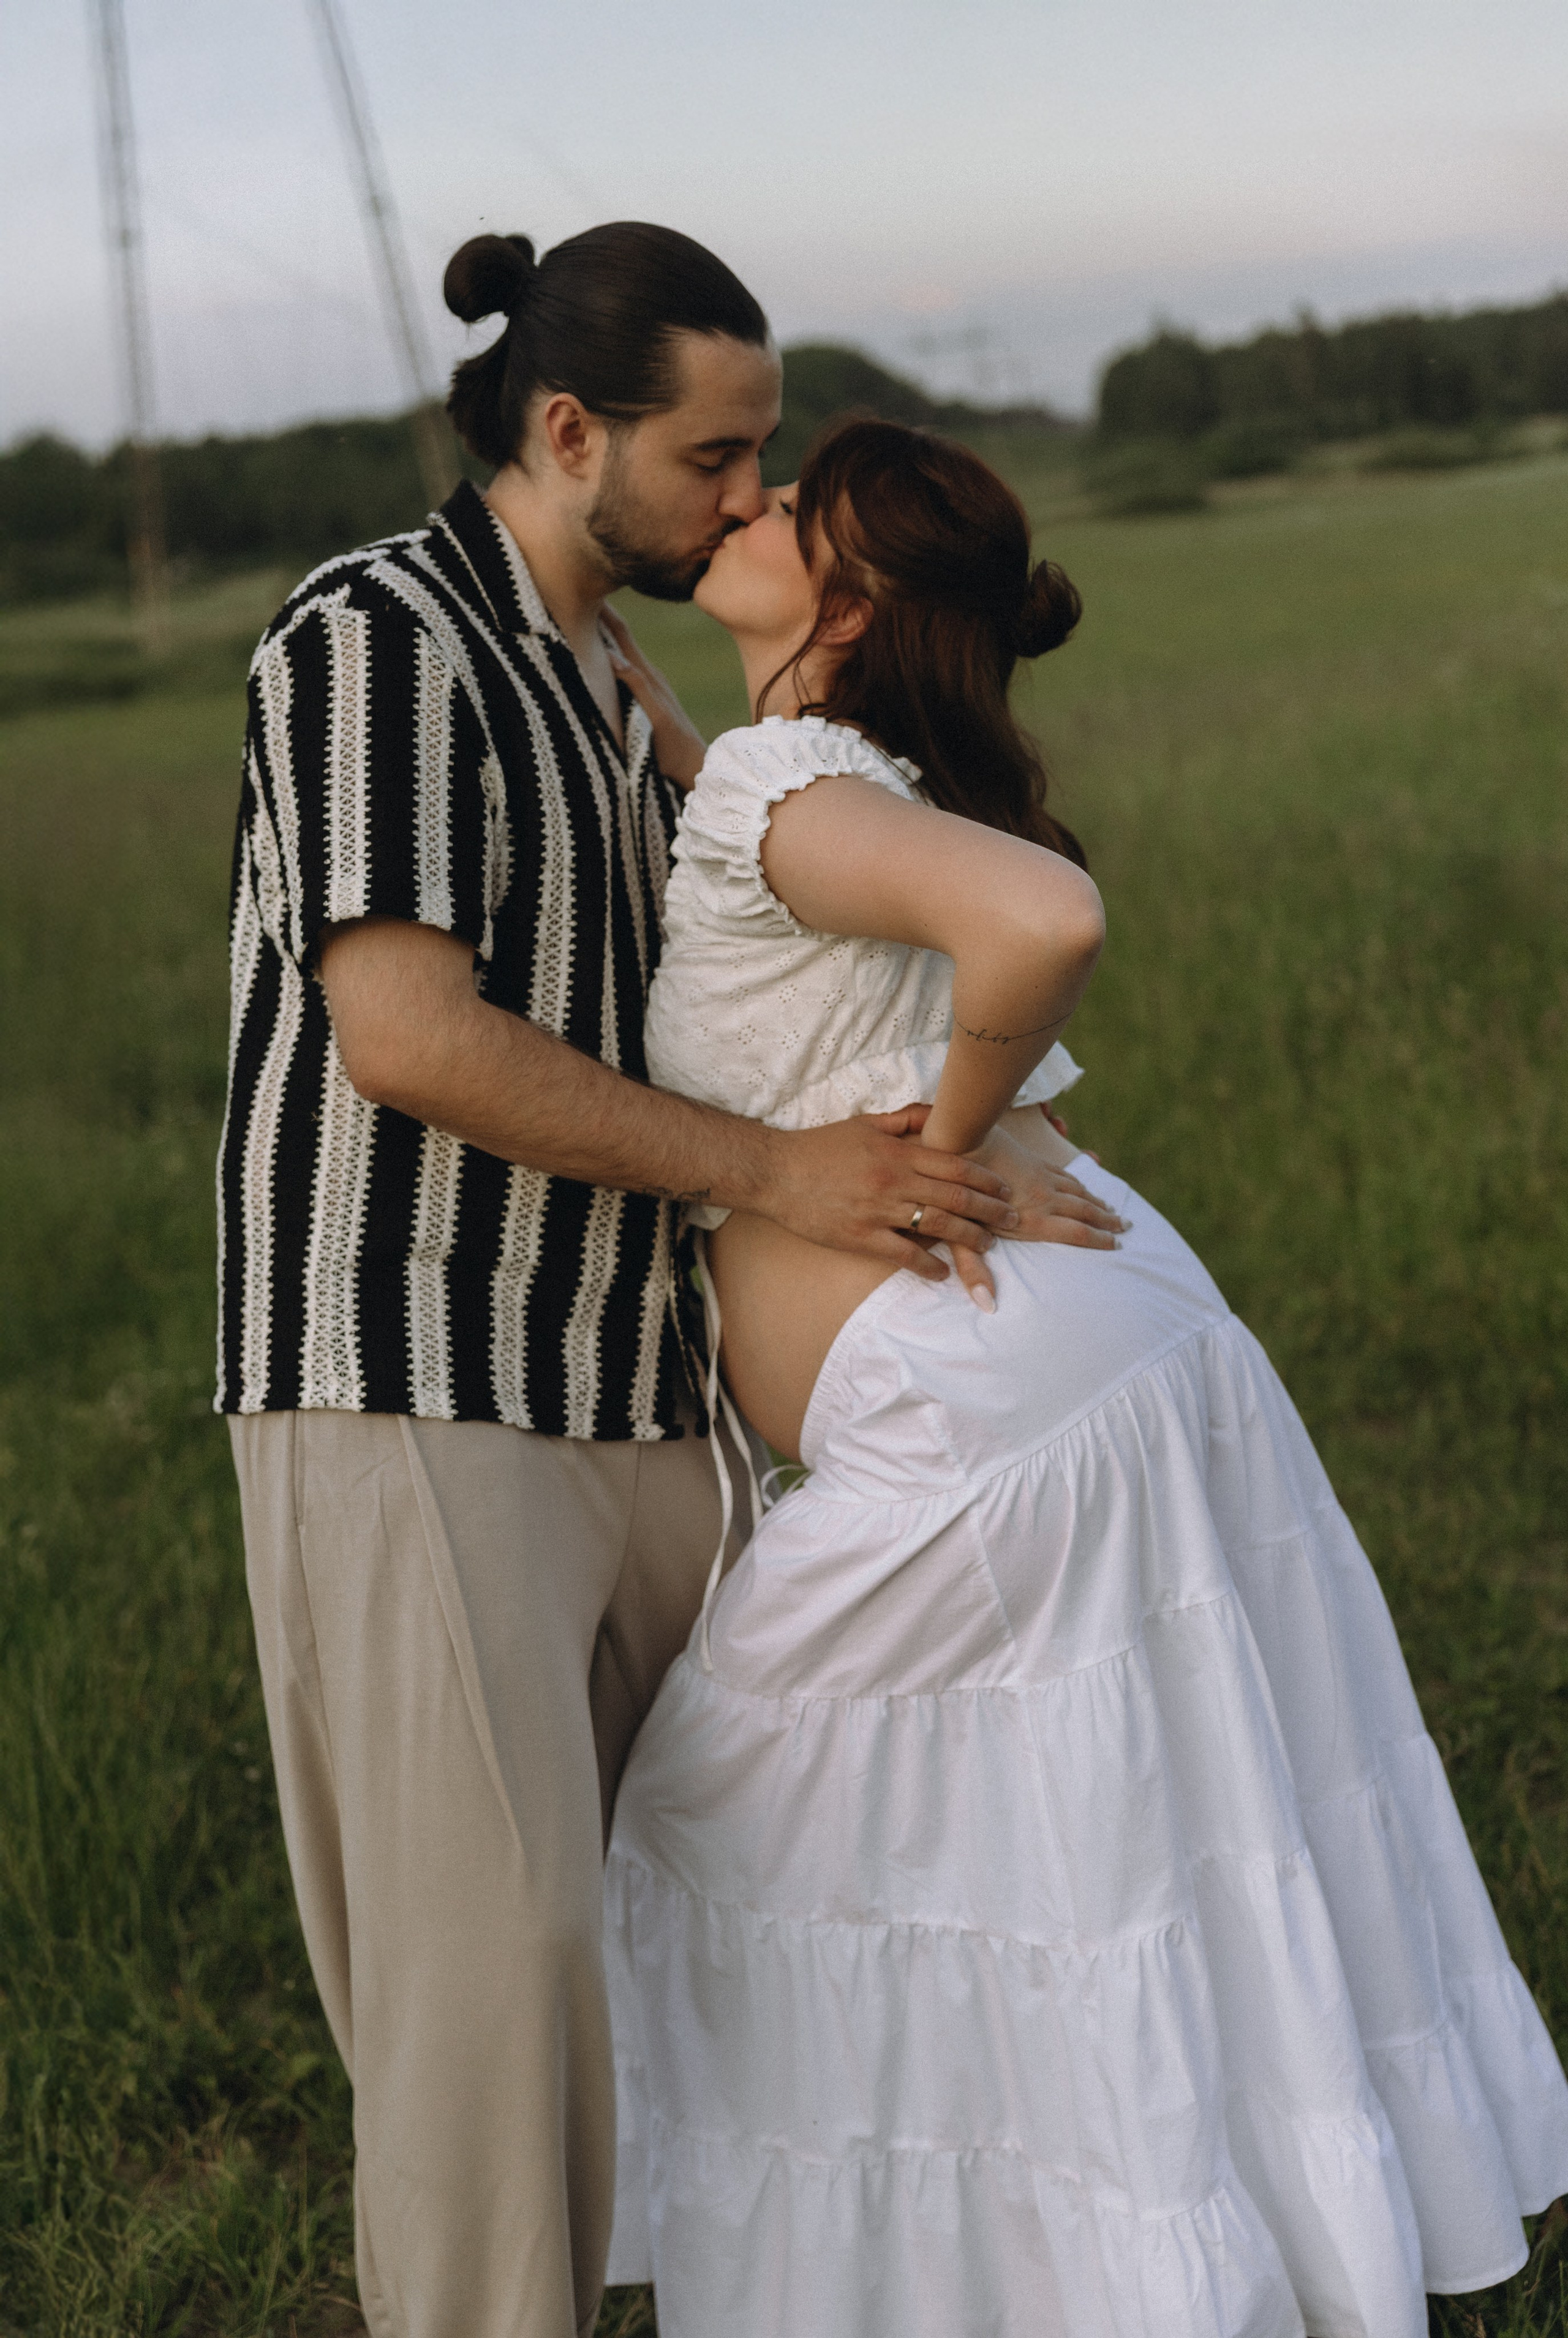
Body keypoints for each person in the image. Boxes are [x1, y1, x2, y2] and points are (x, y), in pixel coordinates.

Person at [217, 225, 1120, 2338]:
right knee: (492, 1976)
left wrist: (999, 1148)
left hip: (639, 1391)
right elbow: (412, 1038)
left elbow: (790, 963)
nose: (750, 497)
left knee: (696, 1915)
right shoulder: (379, 634)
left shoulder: (622, 688)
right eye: (717, 456)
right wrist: (790, 1179)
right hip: (420, 1369)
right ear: (566, 430)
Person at [600, 417, 1568, 2338]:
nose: (746, 506)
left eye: (789, 506)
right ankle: (1154, 2251)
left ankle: (1021, 2264)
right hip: (1105, 1361)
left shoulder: (803, 773)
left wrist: (931, 1142)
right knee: (1132, 1824)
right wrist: (652, 706)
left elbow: (1048, 921)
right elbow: (787, 860)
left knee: (731, 1809)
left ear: (850, 597)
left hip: (992, 1420)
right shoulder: (820, 775)